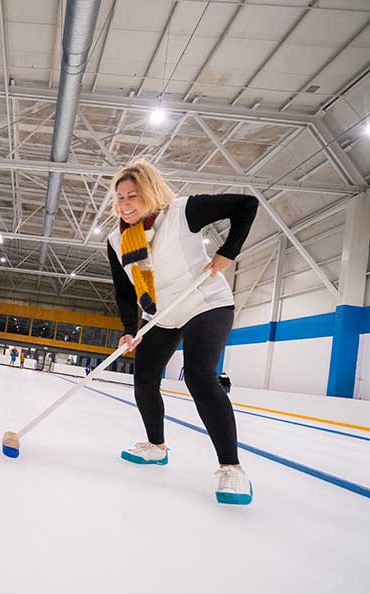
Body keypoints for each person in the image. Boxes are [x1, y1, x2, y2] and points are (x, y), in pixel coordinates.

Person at [106, 159, 257, 505]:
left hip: (205, 301)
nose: (125, 204)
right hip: (161, 314)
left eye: (133, 196)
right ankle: (156, 448)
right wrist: (130, 330)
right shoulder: (117, 240)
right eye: (120, 198)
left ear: (151, 192)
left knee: (198, 375)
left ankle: (232, 468)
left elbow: (245, 205)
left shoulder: (182, 211)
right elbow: (125, 292)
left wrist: (227, 253)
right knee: (143, 379)